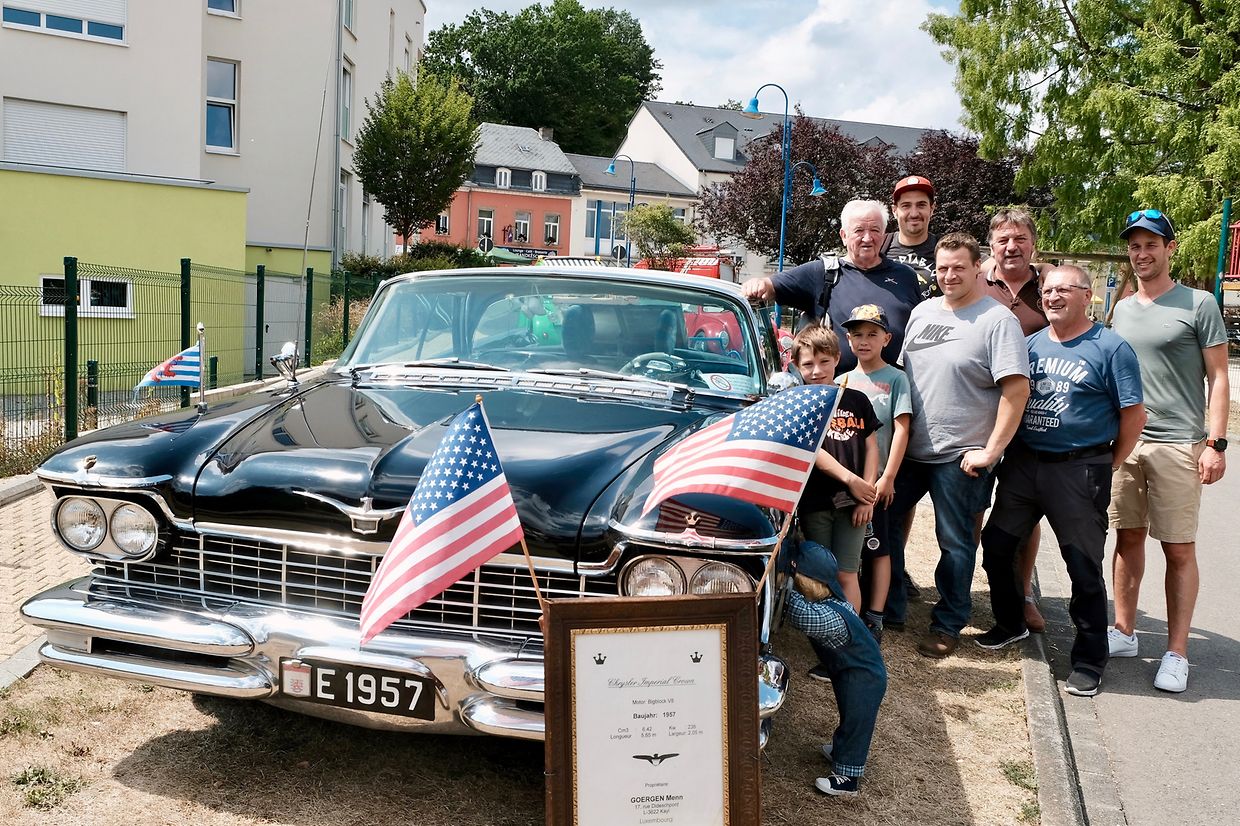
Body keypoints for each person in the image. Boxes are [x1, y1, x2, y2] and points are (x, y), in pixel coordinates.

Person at [976, 265, 1145, 697]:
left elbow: (1133, 416)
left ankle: (1089, 659)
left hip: (1078, 468)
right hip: (1025, 464)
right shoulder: (1028, 346)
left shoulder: (1110, 348)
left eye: (1063, 290)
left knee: (1083, 566)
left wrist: (1108, 462)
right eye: (1047, 291)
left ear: (1086, 296)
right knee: (997, 545)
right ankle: (1010, 622)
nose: (1051, 297)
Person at [887, 232, 1030, 658]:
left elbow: (1016, 391)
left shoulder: (997, 320)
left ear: (977, 267)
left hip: (961, 455)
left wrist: (991, 451)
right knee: (883, 523)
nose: (950, 275)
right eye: (943, 267)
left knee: (954, 541)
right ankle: (891, 607)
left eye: (959, 268)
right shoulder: (923, 311)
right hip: (912, 448)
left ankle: (949, 621)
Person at [1107, 209, 1230, 693]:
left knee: (1178, 548)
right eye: (1135, 246)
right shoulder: (1120, 307)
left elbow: (1219, 378)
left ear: (1169, 248)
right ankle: (1124, 630)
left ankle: (1177, 651)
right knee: (1127, 539)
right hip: (1128, 443)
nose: (1142, 254)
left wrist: (1215, 443)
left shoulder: (1199, 304)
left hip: (1179, 443)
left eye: (1151, 245)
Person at [742, 199, 922, 373]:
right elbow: (772, 285)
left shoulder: (906, 276)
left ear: (883, 236)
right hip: (835, 395)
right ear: (844, 236)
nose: (867, 238)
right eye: (859, 230)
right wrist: (759, 284)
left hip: (893, 393)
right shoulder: (823, 273)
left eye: (875, 230)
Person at [981, 208, 1051, 633]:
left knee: (1025, 516)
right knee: (973, 511)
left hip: (1034, 422)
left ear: (1033, 244)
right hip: (980, 418)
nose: (1012, 247)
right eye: (1004, 239)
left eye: (1020, 239)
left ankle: (1023, 595)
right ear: (991, 245)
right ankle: (971, 591)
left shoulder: (1050, 287)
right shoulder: (978, 282)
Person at [782, 539, 887, 798]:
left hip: (864, 676)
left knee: (856, 719)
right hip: (849, 670)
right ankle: (841, 750)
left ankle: (848, 776)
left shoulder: (829, 618)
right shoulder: (834, 602)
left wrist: (784, 586)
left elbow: (799, 615)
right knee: (848, 712)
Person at [791, 325, 879, 615]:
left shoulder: (857, 400)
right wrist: (851, 480)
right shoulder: (799, 404)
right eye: (808, 364)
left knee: (847, 572)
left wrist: (866, 494)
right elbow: (813, 452)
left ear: (838, 358)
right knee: (820, 574)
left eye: (824, 362)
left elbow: (871, 447)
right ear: (795, 366)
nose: (817, 370)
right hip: (816, 501)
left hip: (855, 502)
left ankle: (851, 639)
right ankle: (826, 636)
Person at [839, 304, 912, 643]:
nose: (863, 341)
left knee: (878, 549)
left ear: (887, 338)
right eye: (856, 334)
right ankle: (844, 609)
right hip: (844, 483)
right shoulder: (841, 380)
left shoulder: (896, 379)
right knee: (847, 551)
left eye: (871, 334)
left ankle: (876, 616)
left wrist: (888, 478)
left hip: (876, 483)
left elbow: (901, 430)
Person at [882, 175, 940, 299]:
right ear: (894, 211)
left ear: (932, 209)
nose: (914, 213)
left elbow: (982, 264)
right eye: (906, 205)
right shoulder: (880, 246)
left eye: (921, 205)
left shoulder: (945, 247)